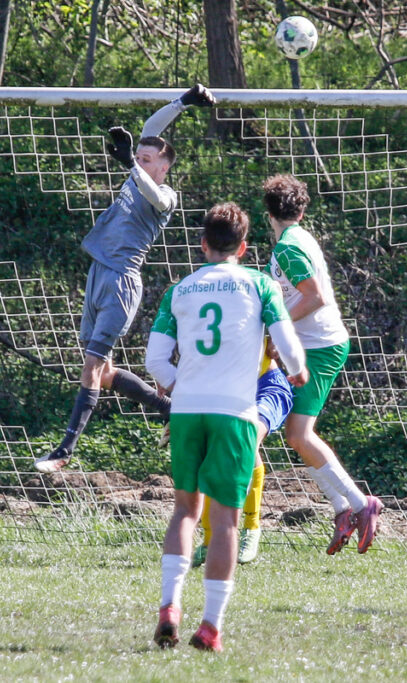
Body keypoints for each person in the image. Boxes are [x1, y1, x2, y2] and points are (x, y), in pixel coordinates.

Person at [144, 202, 307, 652]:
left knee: (184, 511)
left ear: (203, 244)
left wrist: (181, 386)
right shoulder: (260, 284)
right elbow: (286, 342)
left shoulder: (179, 290)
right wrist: (297, 370)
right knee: (225, 521)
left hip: (186, 411)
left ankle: (169, 608)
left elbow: (155, 360)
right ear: (244, 247)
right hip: (234, 411)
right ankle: (210, 627)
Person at [35, 85, 217, 474]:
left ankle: (64, 451)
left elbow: (154, 193)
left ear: (163, 167)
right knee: (104, 373)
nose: (140, 161)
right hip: (98, 274)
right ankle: (170, 408)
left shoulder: (165, 196)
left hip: (121, 283)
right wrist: (184, 101)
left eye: (148, 159)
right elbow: (151, 128)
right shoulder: (138, 175)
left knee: (90, 367)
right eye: (139, 157)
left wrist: (132, 164)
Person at [262, 174, 383, 555]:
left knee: (299, 435)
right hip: (313, 344)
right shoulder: (299, 239)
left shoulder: (288, 247)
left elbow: (314, 297)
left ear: (268, 213)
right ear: (301, 210)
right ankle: (342, 509)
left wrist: (280, 328)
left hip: (322, 347)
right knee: (295, 436)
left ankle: (362, 505)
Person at [192, 348, 295, 568]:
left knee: (247, 437)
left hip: (267, 386)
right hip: (228, 392)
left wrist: (281, 341)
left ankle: (251, 527)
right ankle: (209, 541)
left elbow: (286, 331)